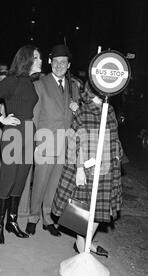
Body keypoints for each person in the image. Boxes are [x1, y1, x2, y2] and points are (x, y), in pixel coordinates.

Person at [51, 81, 123, 257]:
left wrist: (118, 153)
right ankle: (82, 244)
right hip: (87, 166)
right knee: (82, 209)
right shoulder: (83, 111)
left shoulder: (110, 110)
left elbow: (115, 135)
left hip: (106, 166)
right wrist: (80, 168)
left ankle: (85, 242)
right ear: (92, 90)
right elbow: (75, 140)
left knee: (100, 210)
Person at [0, 45, 42, 244]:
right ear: (27, 60)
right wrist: (2, 118)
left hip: (28, 133)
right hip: (13, 134)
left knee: (21, 180)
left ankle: (12, 222)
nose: (41, 60)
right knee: (7, 181)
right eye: (37, 57)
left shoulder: (30, 81)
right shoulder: (12, 80)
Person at [25, 44, 80, 237]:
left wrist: (76, 109)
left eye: (63, 62)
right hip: (45, 143)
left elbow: (76, 117)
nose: (59, 65)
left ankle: (47, 218)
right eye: (56, 62)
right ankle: (33, 217)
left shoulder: (74, 88)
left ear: (68, 64)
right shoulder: (40, 85)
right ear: (50, 63)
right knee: (39, 182)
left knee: (54, 184)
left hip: (64, 145)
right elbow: (34, 117)